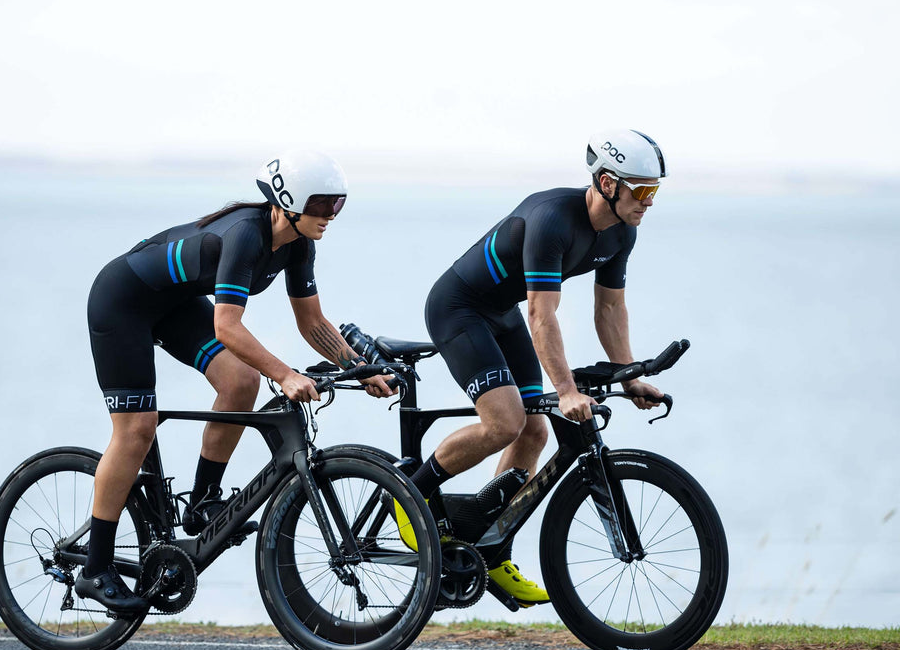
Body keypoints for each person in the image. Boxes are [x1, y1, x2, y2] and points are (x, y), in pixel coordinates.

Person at [75, 150, 395, 612]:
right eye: (322, 205)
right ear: (287, 201)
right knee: (136, 430)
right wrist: (284, 374)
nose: (330, 216)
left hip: (173, 305)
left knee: (241, 382)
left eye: (337, 205)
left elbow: (312, 323)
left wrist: (358, 369)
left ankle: (202, 501)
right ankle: (95, 567)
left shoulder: (299, 244)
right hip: (121, 302)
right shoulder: (247, 235)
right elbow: (227, 326)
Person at [411, 129, 668, 607]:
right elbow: (541, 314)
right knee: (504, 421)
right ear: (609, 183)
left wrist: (629, 376)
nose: (650, 202)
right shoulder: (552, 220)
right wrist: (566, 389)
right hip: (459, 309)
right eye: (643, 190)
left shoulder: (622, 233)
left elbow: (609, 311)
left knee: (534, 432)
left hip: (501, 315)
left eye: (657, 191)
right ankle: (411, 498)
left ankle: (488, 546)